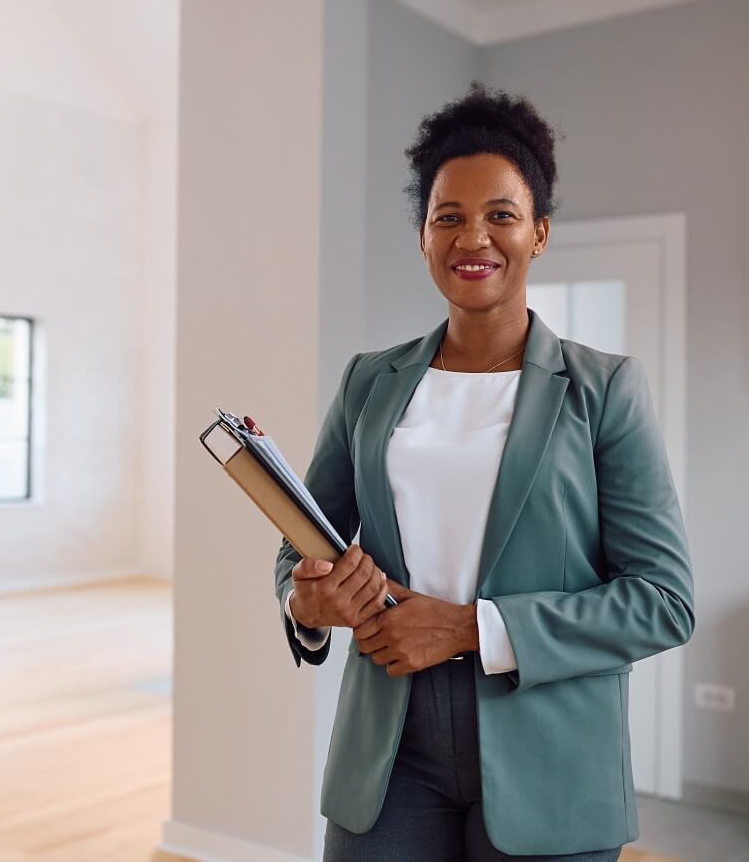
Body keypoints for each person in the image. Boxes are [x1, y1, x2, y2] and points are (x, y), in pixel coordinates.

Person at [275, 85, 695, 860]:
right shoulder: (369, 382)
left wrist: (468, 628)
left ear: (539, 233)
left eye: (501, 214)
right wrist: (308, 603)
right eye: (448, 217)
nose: (474, 237)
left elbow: (663, 602)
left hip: (551, 753)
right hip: (388, 754)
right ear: (423, 236)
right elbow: (300, 546)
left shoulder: (606, 389)